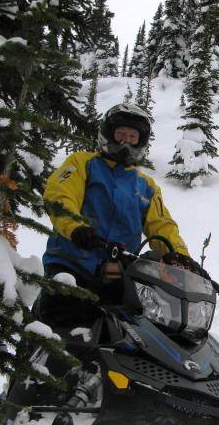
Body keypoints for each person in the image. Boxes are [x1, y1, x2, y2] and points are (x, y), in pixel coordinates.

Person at [40, 103, 192, 325]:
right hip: (73, 262)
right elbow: (60, 196)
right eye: (120, 134)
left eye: (132, 137)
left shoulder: (145, 186)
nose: (125, 142)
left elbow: (162, 225)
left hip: (118, 272)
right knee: (65, 319)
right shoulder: (82, 163)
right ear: (107, 134)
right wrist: (76, 228)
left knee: (127, 328)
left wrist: (178, 256)